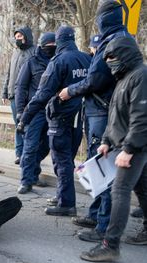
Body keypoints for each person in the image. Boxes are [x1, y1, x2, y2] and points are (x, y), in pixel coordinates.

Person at [59, 1, 131, 240]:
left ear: (105, 18)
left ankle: (103, 228)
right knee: (97, 163)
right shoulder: (119, 38)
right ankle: (95, 213)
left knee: (103, 167)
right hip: (101, 109)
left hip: (102, 110)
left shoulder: (113, 42)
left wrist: (70, 90)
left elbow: (95, 79)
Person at [80, 37, 147, 262]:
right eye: (106, 59)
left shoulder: (141, 76)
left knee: (120, 191)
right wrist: (107, 140)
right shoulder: (124, 78)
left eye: (112, 58)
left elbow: (141, 117)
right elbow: (115, 115)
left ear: (125, 55)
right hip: (124, 144)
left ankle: (110, 244)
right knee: (142, 189)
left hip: (136, 145)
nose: (109, 63)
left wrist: (128, 149)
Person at [19, 26, 91, 216]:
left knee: (61, 160)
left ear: (59, 41)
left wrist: (24, 117)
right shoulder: (87, 58)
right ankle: (63, 196)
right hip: (81, 118)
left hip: (61, 117)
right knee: (68, 159)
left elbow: (42, 95)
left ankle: (66, 204)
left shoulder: (58, 62)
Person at [15, 32, 56, 194]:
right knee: (30, 146)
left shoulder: (58, 61)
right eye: (48, 47)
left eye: (54, 47)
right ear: (41, 46)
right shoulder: (31, 62)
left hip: (53, 111)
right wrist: (20, 112)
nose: (51, 49)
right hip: (35, 111)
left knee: (47, 145)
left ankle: (33, 172)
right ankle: (26, 180)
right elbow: (21, 88)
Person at [3, 26, 35, 165]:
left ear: (26, 37)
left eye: (20, 37)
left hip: (29, 96)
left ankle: (29, 153)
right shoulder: (14, 52)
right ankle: (19, 153)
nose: (18, 40)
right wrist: (5, 92)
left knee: (28, 125)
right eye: (16, 37)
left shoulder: (34, 52)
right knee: (18, 125)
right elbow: (9, 73)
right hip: (13, 95)